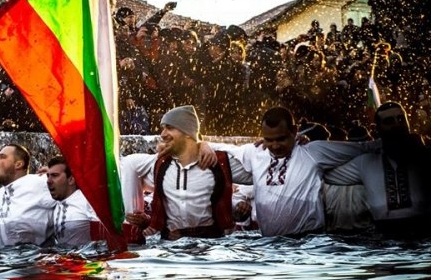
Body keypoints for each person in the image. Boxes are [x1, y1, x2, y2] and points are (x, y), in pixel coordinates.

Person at [206, 107, 379, 237]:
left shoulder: (311, 151)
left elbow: (364, 148)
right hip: (269, 245)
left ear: (294, 132)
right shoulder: (255, 152)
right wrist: (202, 146)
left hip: (311, 243)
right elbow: (216, 147)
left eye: (281, 139)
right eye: (269, 139)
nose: (274, 145)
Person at [125, 105, 251, 240]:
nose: (162, 134)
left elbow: (260, 170)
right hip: (169, 248)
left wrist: (205, 144)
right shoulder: (160, 164)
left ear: (187, 133)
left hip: (212, 249)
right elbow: (129, 163)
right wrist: (146, 222)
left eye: (170, 128)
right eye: (163, 128)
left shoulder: (219, 162)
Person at [324, 102, 431, 237]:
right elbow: (325, 172)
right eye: (389, 121)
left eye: (401, 119)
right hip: (385, 239)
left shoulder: (424, 157)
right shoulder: (366, 162)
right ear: (377, 129)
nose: (397, 125)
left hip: (424, 237)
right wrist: (301, 146)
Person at [0, 144, 55, 247]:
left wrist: (57, 174)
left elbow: (79, 183)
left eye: (2, 157)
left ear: (18, 164)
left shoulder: (39, 181)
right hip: (0, 259)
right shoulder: (1, 193)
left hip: (31, 258)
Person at [46, 156, 99, 248]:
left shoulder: (87, 201)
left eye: (54, 175)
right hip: (63, 257)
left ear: (71, 180)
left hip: (87, 258)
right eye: (48, 176)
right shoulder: (54, 202)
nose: (48, 181)